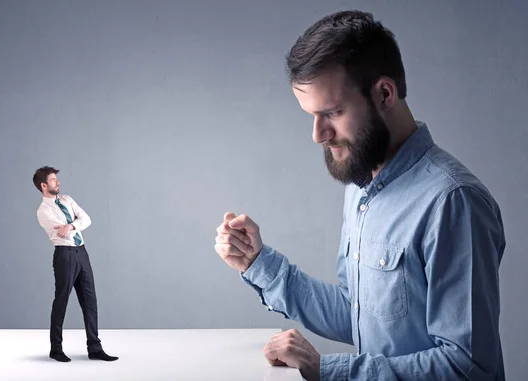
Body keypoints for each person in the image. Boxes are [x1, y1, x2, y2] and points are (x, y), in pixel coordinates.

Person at [214, 10, 505, 381]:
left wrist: (327, 370)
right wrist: (258, 263)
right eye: (312, 116)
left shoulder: (453, 202)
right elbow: (358, 314)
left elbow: (468, 367)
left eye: (332, 112)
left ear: (384, 93)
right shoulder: (361, 185)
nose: (318, 134)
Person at [33, 166, 118, 363]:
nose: (58, 183)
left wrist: (70, 225)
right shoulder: (43, 211)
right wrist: (71, 225)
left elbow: (86, 219)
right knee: (61, 300)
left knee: (90, 300)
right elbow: (60, 233)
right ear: (44, 185)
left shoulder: (67, 200)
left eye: (57, 179)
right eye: (53, 180)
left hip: (82, 252)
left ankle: (94, 348)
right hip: (64, 255)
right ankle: (56, 348)